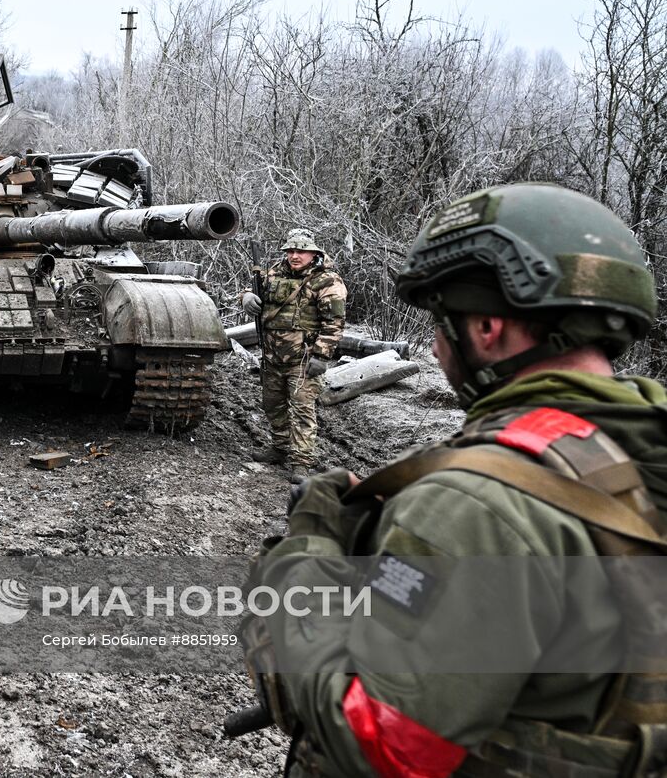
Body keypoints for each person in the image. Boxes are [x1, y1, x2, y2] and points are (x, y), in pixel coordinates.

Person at [244, 183, 667, 777]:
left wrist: (305, 553)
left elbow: (380, 746)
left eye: (442, 322)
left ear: (488, 327)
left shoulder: (478, 504)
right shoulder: (638, 452)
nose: (439, 346)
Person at [239, 228, 347, 477]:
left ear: (313, 253)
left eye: (300, 251)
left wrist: (321, 356)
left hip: (304, 359)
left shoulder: (327, 281)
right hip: (272, 356)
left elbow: (335, 323)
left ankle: (301, 462)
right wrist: (246, 298)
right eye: (290, 250)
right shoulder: (274, 273)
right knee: (272, 405)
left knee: (302, 410)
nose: (294, 255)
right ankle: (279, 448)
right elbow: (248, 290)